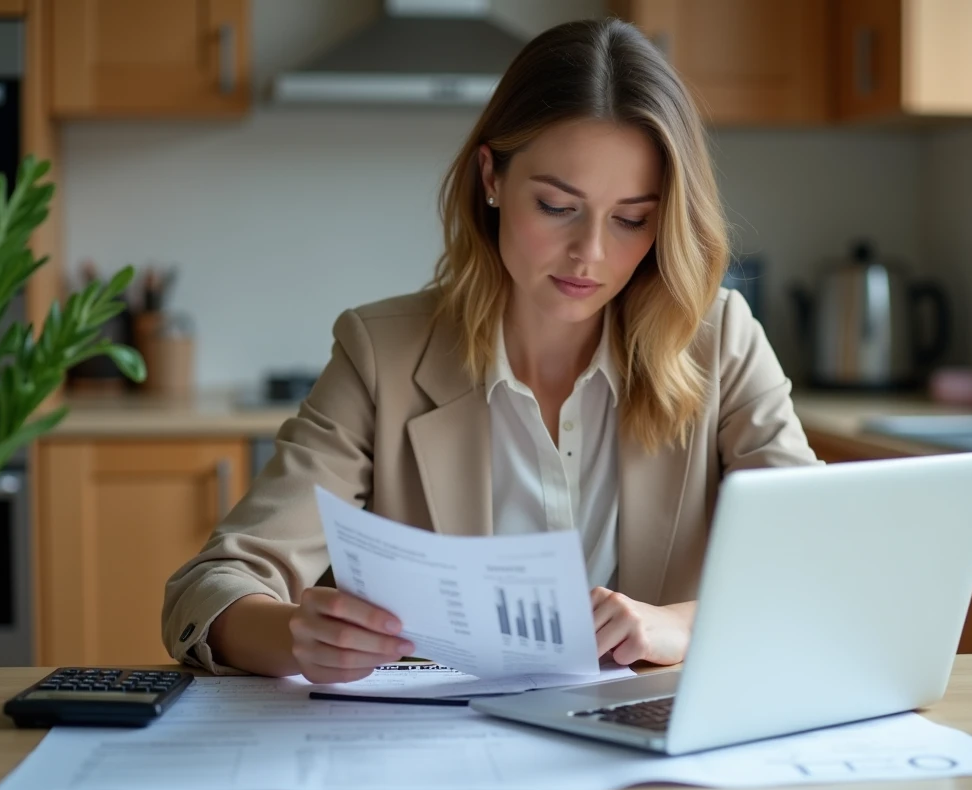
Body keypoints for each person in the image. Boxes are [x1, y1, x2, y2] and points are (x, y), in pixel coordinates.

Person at [161, 17, 819, 683]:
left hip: (647, 755)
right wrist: (295, 635)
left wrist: (678, 623)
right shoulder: (382, 355)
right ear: (492, 178)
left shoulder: (722, 340)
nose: (590, 254)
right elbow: (212, 585)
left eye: (631, 219)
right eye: (558, 206)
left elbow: (823, 562)